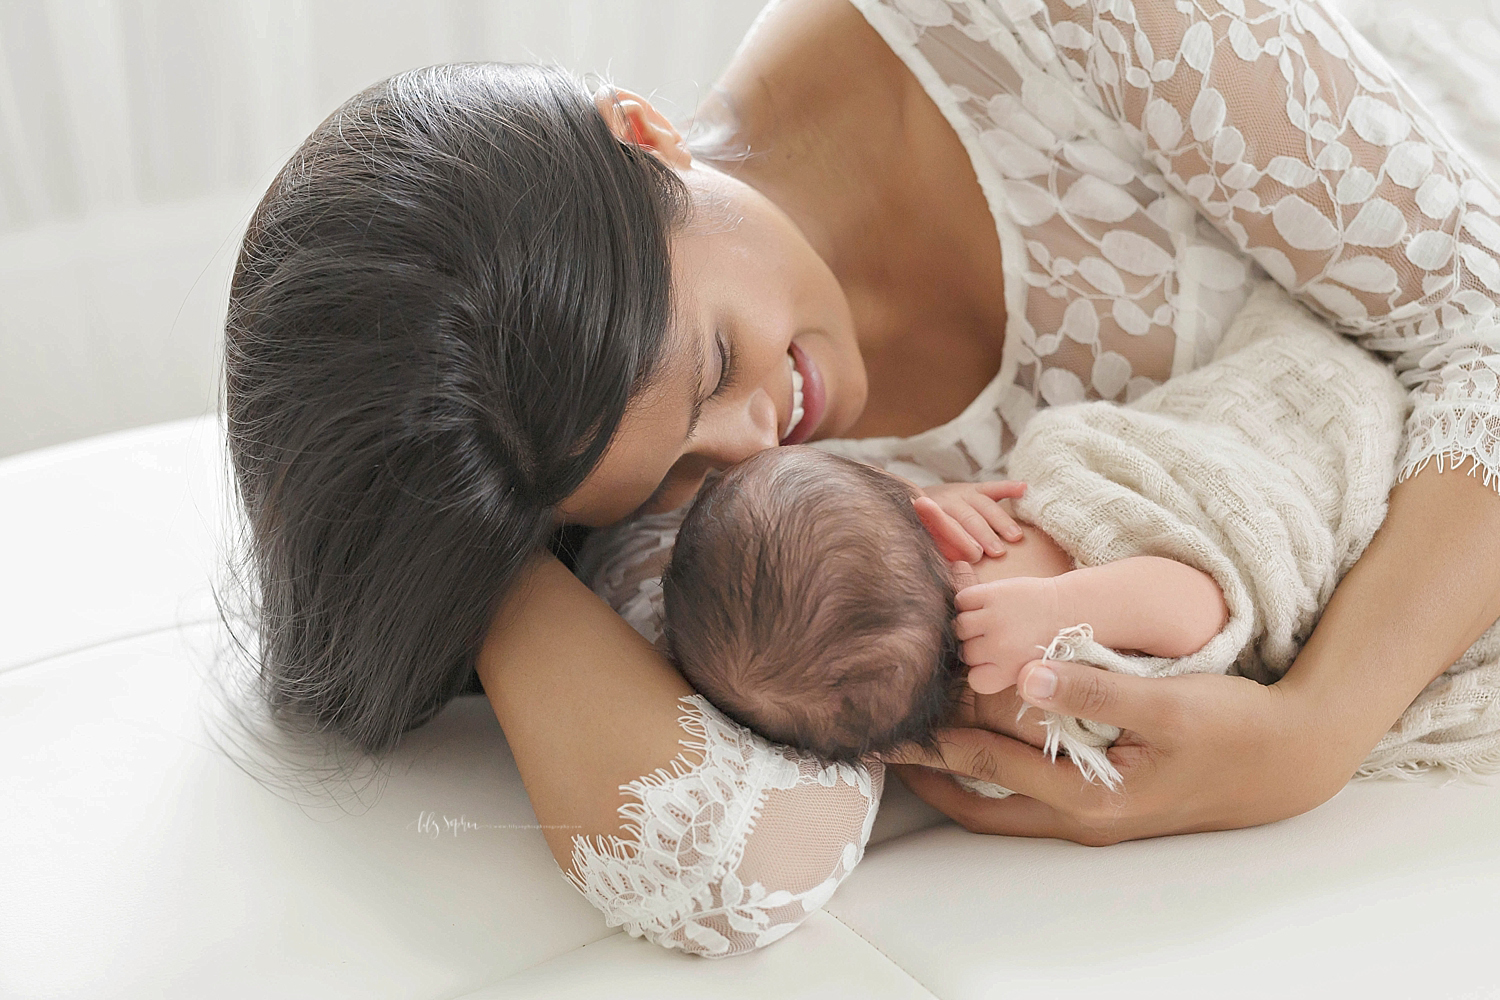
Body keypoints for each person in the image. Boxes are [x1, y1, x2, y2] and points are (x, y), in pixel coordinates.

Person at [225, 0, 1500, 957]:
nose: (752, 440)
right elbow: (745, 860)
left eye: (715, 362)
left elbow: (1483, 320)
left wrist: (1311, 733)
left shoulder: (1072, 21)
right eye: (666, 469)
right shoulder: (660, 494)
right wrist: (483, 565)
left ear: (646, 133)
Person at [660, 446, 1226, 763]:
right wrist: (1058, 605)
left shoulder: (943, 743)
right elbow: (1207, 609)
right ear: (928, 520)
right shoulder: (1038, 687)